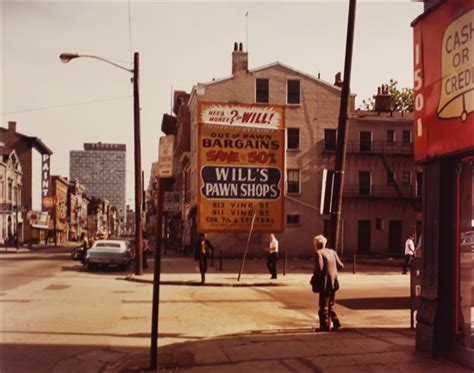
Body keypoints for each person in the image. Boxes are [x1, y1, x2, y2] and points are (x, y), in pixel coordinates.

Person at [313, 234, 344, 332]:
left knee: (323, 306)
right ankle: (336, 322)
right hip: (334, 282)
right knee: (330, 304)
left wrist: (314, 278)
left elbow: (319, 268)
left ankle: (324, 326)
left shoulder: (319, 253)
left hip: (325, 283)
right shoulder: (332, 252)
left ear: (316, 244)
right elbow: (341, 266)